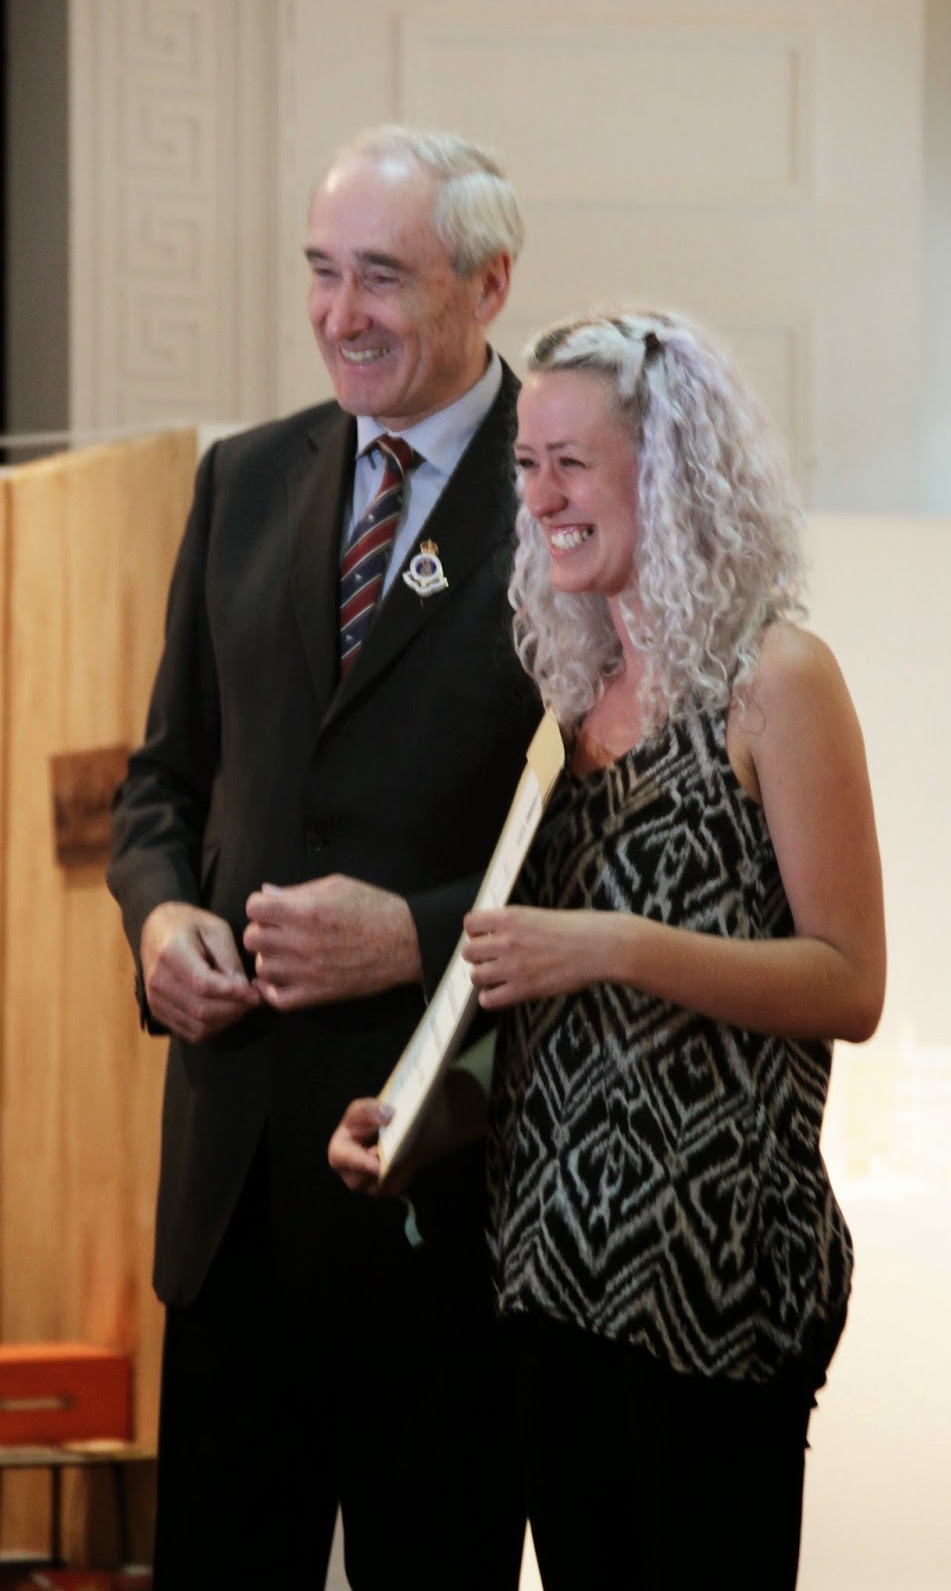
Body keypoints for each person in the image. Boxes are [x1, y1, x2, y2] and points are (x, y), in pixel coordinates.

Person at [331, 307, 885, 1589]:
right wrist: (415, 1116)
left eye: (570, 463)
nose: (539, 498)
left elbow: (848, 981)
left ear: (671, 471)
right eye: (527, 465)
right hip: (548, 1274)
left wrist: (614, 943)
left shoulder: (775, 679)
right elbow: (550, 1037)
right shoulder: (569, 711)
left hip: (713, 1274)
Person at [107, 124, 540, 1591]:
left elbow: (603, 850)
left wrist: (417, 932)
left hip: (441, 1192)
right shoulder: (242, 480)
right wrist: (160, 926)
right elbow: (163, 785)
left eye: (382, 278)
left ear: (488, 285)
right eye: (320, 272)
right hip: (229, 1198)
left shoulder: (563, 496)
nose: (339, 314)